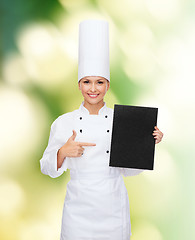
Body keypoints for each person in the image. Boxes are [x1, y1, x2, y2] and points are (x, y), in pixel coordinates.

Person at [40, 20, 163, 240]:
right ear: (79, 85)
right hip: (78, 211)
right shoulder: (64, 122)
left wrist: (148, 142)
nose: (93, 89)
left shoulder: (123, 120)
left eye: (99, 82)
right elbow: (46, 167)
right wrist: (62, 152)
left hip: (113, 208)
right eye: (87, 82)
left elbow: (130, 169)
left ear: (107, 85)